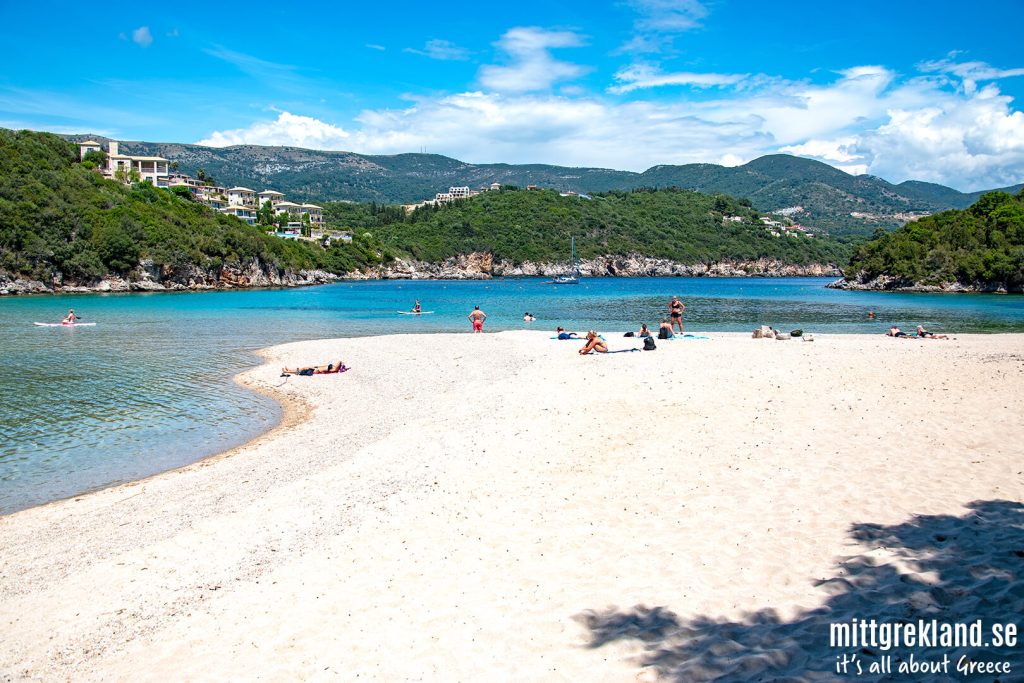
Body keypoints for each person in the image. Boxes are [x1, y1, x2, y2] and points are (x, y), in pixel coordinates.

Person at [282, 360, 347, 376]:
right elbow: (339, 363)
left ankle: (287, 371)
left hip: (316, 370)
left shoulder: (334, 369)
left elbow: (339, 362)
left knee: (301, 371)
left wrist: (341, 363)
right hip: (316, 368)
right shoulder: (333, 368)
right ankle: (289, 370)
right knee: (303, 368)